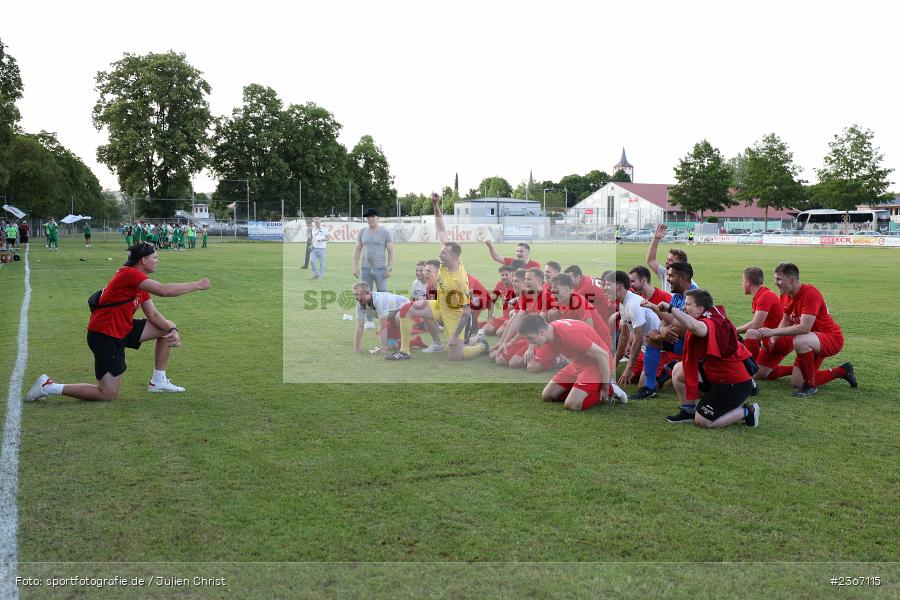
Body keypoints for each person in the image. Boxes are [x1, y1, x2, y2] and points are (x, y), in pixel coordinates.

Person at [26, 242, 211, 402]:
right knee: (108, 394)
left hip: (123, 329)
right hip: (105, 335)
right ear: (143, 260)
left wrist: (172, 329)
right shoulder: (130, 274)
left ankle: (158, 381)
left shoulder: (139, 281)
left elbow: (153, 315)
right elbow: (163, 290)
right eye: (155, 257)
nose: (158, 260)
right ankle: (49, 387)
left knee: (164, 326)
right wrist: (197, 285)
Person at [387, 194, 487, 361]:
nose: (440, 254)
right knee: (406, 309)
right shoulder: (447, 261)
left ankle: (482, 345)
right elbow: (441, 229)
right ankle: (405, 351)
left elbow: (466, 312)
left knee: (456, 356)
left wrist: (455, 336)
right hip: (440, 306)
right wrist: (436, 205)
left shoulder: (460, 281)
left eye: (444, 253)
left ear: (454, 255)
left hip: (456, 316)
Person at [643, 290, 760, 428]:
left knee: (703, 421)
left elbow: (694, 326)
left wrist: (671, 308)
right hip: (716, 378)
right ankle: (688, 411)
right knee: (679, 369)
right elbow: (675, 319)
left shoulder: (707, 324)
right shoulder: (705, 317)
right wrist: (652, 306)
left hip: (733, 385)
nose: (684, 307)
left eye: (688, 304)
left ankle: (749, 410)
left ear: (700, 308)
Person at [752, 262, 856, 397]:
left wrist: (772, 332)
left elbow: (804, 328)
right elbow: (786, 320)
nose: (775, 283)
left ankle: (810, 387)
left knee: (800, 339)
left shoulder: (810, 293)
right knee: (797, 382)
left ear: (792, 280)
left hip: (830, 338)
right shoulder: (785, 295)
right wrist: (773, 339)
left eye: (778, 279)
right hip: (812, 340)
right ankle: (842, 371)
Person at [518, 314, 625, 411]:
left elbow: (603, 356)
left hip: (596, 364)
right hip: (578, 363)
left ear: (541, 333)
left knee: (572, 405)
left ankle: (612, 391)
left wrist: (605, 386)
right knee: (548, 395)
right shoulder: (550, 333)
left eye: (530, 338)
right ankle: (581, 391)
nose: (530, 342)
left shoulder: (569, 334)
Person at [605, 271, 663, 399]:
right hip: (644, 347)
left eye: (608, 285)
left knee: (644, 387)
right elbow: (624, 337)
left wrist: (627, 368)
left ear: (619, 286)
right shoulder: (623, 303)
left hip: (658, 347)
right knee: (631, 378)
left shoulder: (633, 304)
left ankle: (667, 369)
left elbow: (639, 336)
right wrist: (613, 365)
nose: (605, 288)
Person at [735, 266, 783, 361]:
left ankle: (750, 367)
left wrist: (734, 330)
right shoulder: (762, 294)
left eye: (743, 281)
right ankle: (794, 371)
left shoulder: (764, 296)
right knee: (763, 374)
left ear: (748, 283)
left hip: (778, 339)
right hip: (771, 337)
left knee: (751, 333)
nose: (742, 284)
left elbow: (756, 325)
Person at [352, 282, 409, 354]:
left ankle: (405, 344)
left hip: (407, 307)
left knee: (398, 319)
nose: (356, 298)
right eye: (355, 295)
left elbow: (383, 327)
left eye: (358, 294)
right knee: (392, 346)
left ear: (368, 293)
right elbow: (360, 326)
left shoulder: (379, 300)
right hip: (391, 316)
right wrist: (357, 348)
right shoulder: (359, 303)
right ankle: (397, 342)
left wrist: (382, 349)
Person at [646, 224, 696, 293]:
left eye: (670, 261)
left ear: (681, 265)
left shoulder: (690, 288)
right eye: (667, 259)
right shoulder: (665, 273)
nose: (666, 262)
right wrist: (656, 238)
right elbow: (651, 260)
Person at [353, 208, 394, 293]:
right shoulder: (362, 232)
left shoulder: (385, 233)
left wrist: (389, 268)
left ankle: (380, 307)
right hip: (365, 269)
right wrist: (355, 266)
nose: (370, 219)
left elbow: (390, 251)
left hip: (381, 270)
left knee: (382, 295)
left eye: (372, 216)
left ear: (378, 218)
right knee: (365, 295)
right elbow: (357, 250)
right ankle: (368, 307)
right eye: (368, 217)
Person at [482, 265, 516, 336]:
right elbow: (492, 301)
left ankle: (518, 331)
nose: (504, 277)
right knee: (486, 330)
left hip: (514, 318)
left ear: (512, 275)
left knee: (499, 333)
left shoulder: (516, 286)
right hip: (504, 317)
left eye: (506, 274)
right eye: (502, 275)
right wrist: (489, 317)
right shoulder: (500, 284)